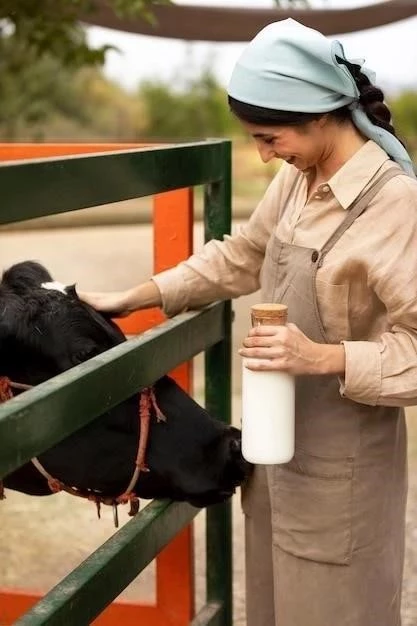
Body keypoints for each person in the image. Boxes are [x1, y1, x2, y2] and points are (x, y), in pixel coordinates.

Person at [78, 19, 417, 626]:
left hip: (343, 482)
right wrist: (137, 296)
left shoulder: (394, 205)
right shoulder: (297, 180)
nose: (262, 154)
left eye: (269, 136)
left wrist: (323, 357)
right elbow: (242, 256)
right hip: (272, 460)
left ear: (319, 116)